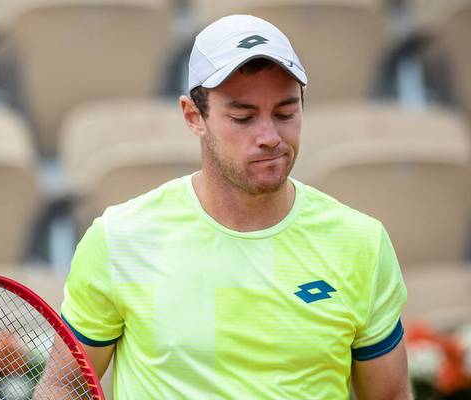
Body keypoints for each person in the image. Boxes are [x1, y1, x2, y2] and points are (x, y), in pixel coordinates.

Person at [59, 14, 410, 399]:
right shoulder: (120, 238)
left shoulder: (361, 242)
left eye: (286, 113)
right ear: (193, 117)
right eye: (243, 117)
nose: (270, 137)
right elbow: (62, 387)